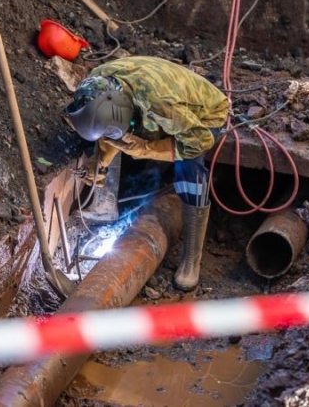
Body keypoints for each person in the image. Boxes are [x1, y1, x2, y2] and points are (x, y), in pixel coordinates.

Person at [63, 56, 230, 291]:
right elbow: (111, 132)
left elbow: (200, 142)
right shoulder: (97, 85)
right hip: (158, 102)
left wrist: (147, 149)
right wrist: (98, 163)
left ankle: (192, 259)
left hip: (206, 115)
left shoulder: (162, 107)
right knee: (133, 137)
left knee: (188, 167)